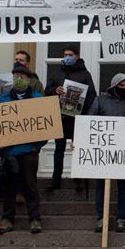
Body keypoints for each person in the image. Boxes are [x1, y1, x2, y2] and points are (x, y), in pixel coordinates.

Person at [0, 67, 46, 235]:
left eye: (22, 76)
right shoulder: (3, 100)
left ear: (29, 79)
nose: (18, 79)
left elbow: (46, 126)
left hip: (29, 151)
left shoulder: (38, 99)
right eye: (15, 76)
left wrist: (36, 146)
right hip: (9, 153)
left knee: (30, 186)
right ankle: (7, 219)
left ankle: (35, 219)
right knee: (9, 187)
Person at [89, 73, 125, 233]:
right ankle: (100, 218)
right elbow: (90, 121)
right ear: (113, 86)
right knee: (101, 187)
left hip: (124, 151)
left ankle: (121, 218)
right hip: (104, 152)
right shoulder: (100, 100)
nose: (124, 88)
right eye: (121, 85)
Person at [44, 46, 97, 194]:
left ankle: (78, 179)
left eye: (70, 55)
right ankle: (55, 180)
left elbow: (92, 95)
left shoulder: (85, 74)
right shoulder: (56, 73)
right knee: (58, 150)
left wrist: (86, 114)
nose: (67, 57)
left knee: (78, 149)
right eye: (65, 54)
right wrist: (55, 90)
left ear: (76, 56)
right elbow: (47, 91)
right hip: (60, 116)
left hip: (77, 118)